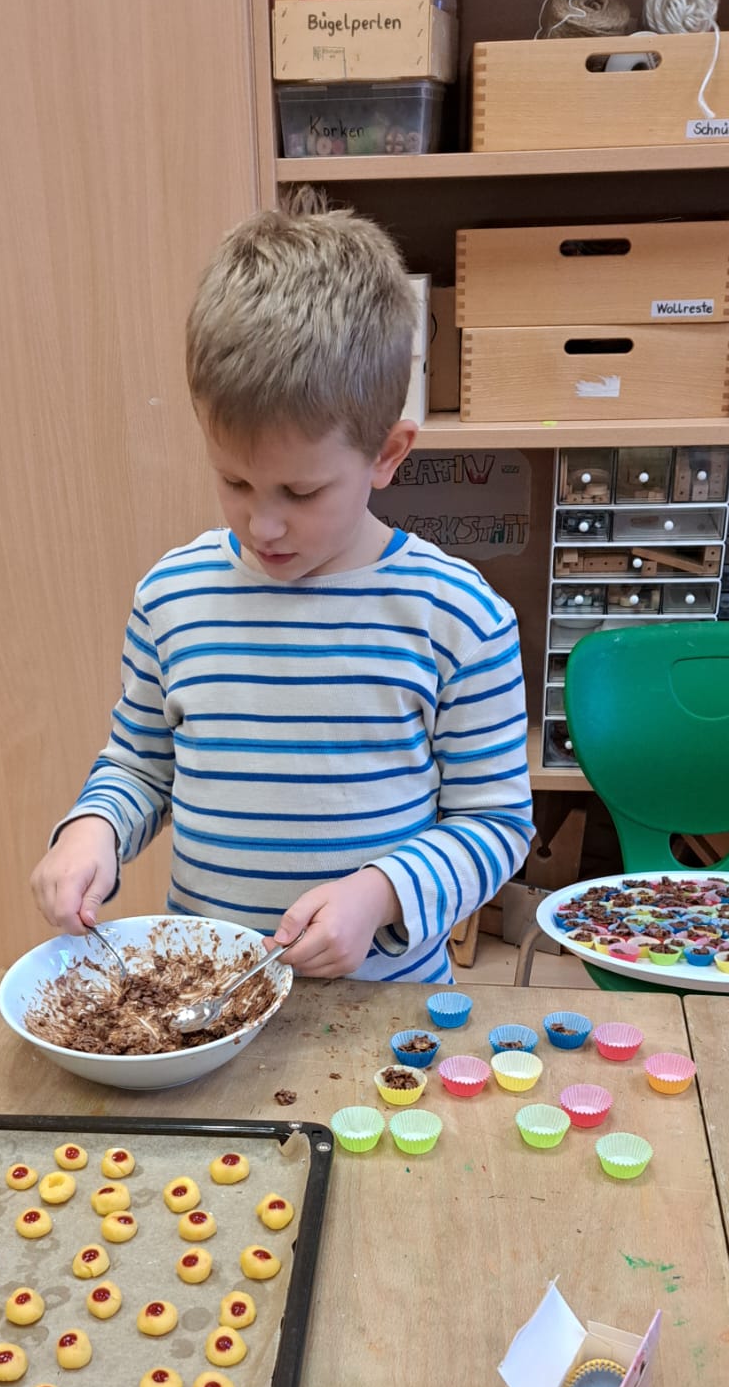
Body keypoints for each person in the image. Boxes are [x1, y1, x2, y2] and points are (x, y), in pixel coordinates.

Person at [29, 205, 532, 983]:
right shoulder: (173, 597)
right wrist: (92, 829)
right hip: (207, 998)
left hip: (382, 1008)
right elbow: (140, 765)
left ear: (387, 454)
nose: (262, 525)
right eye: (234, 481)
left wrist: (381, 894)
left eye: (300, 491)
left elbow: (495, 823)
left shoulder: (458, 617)